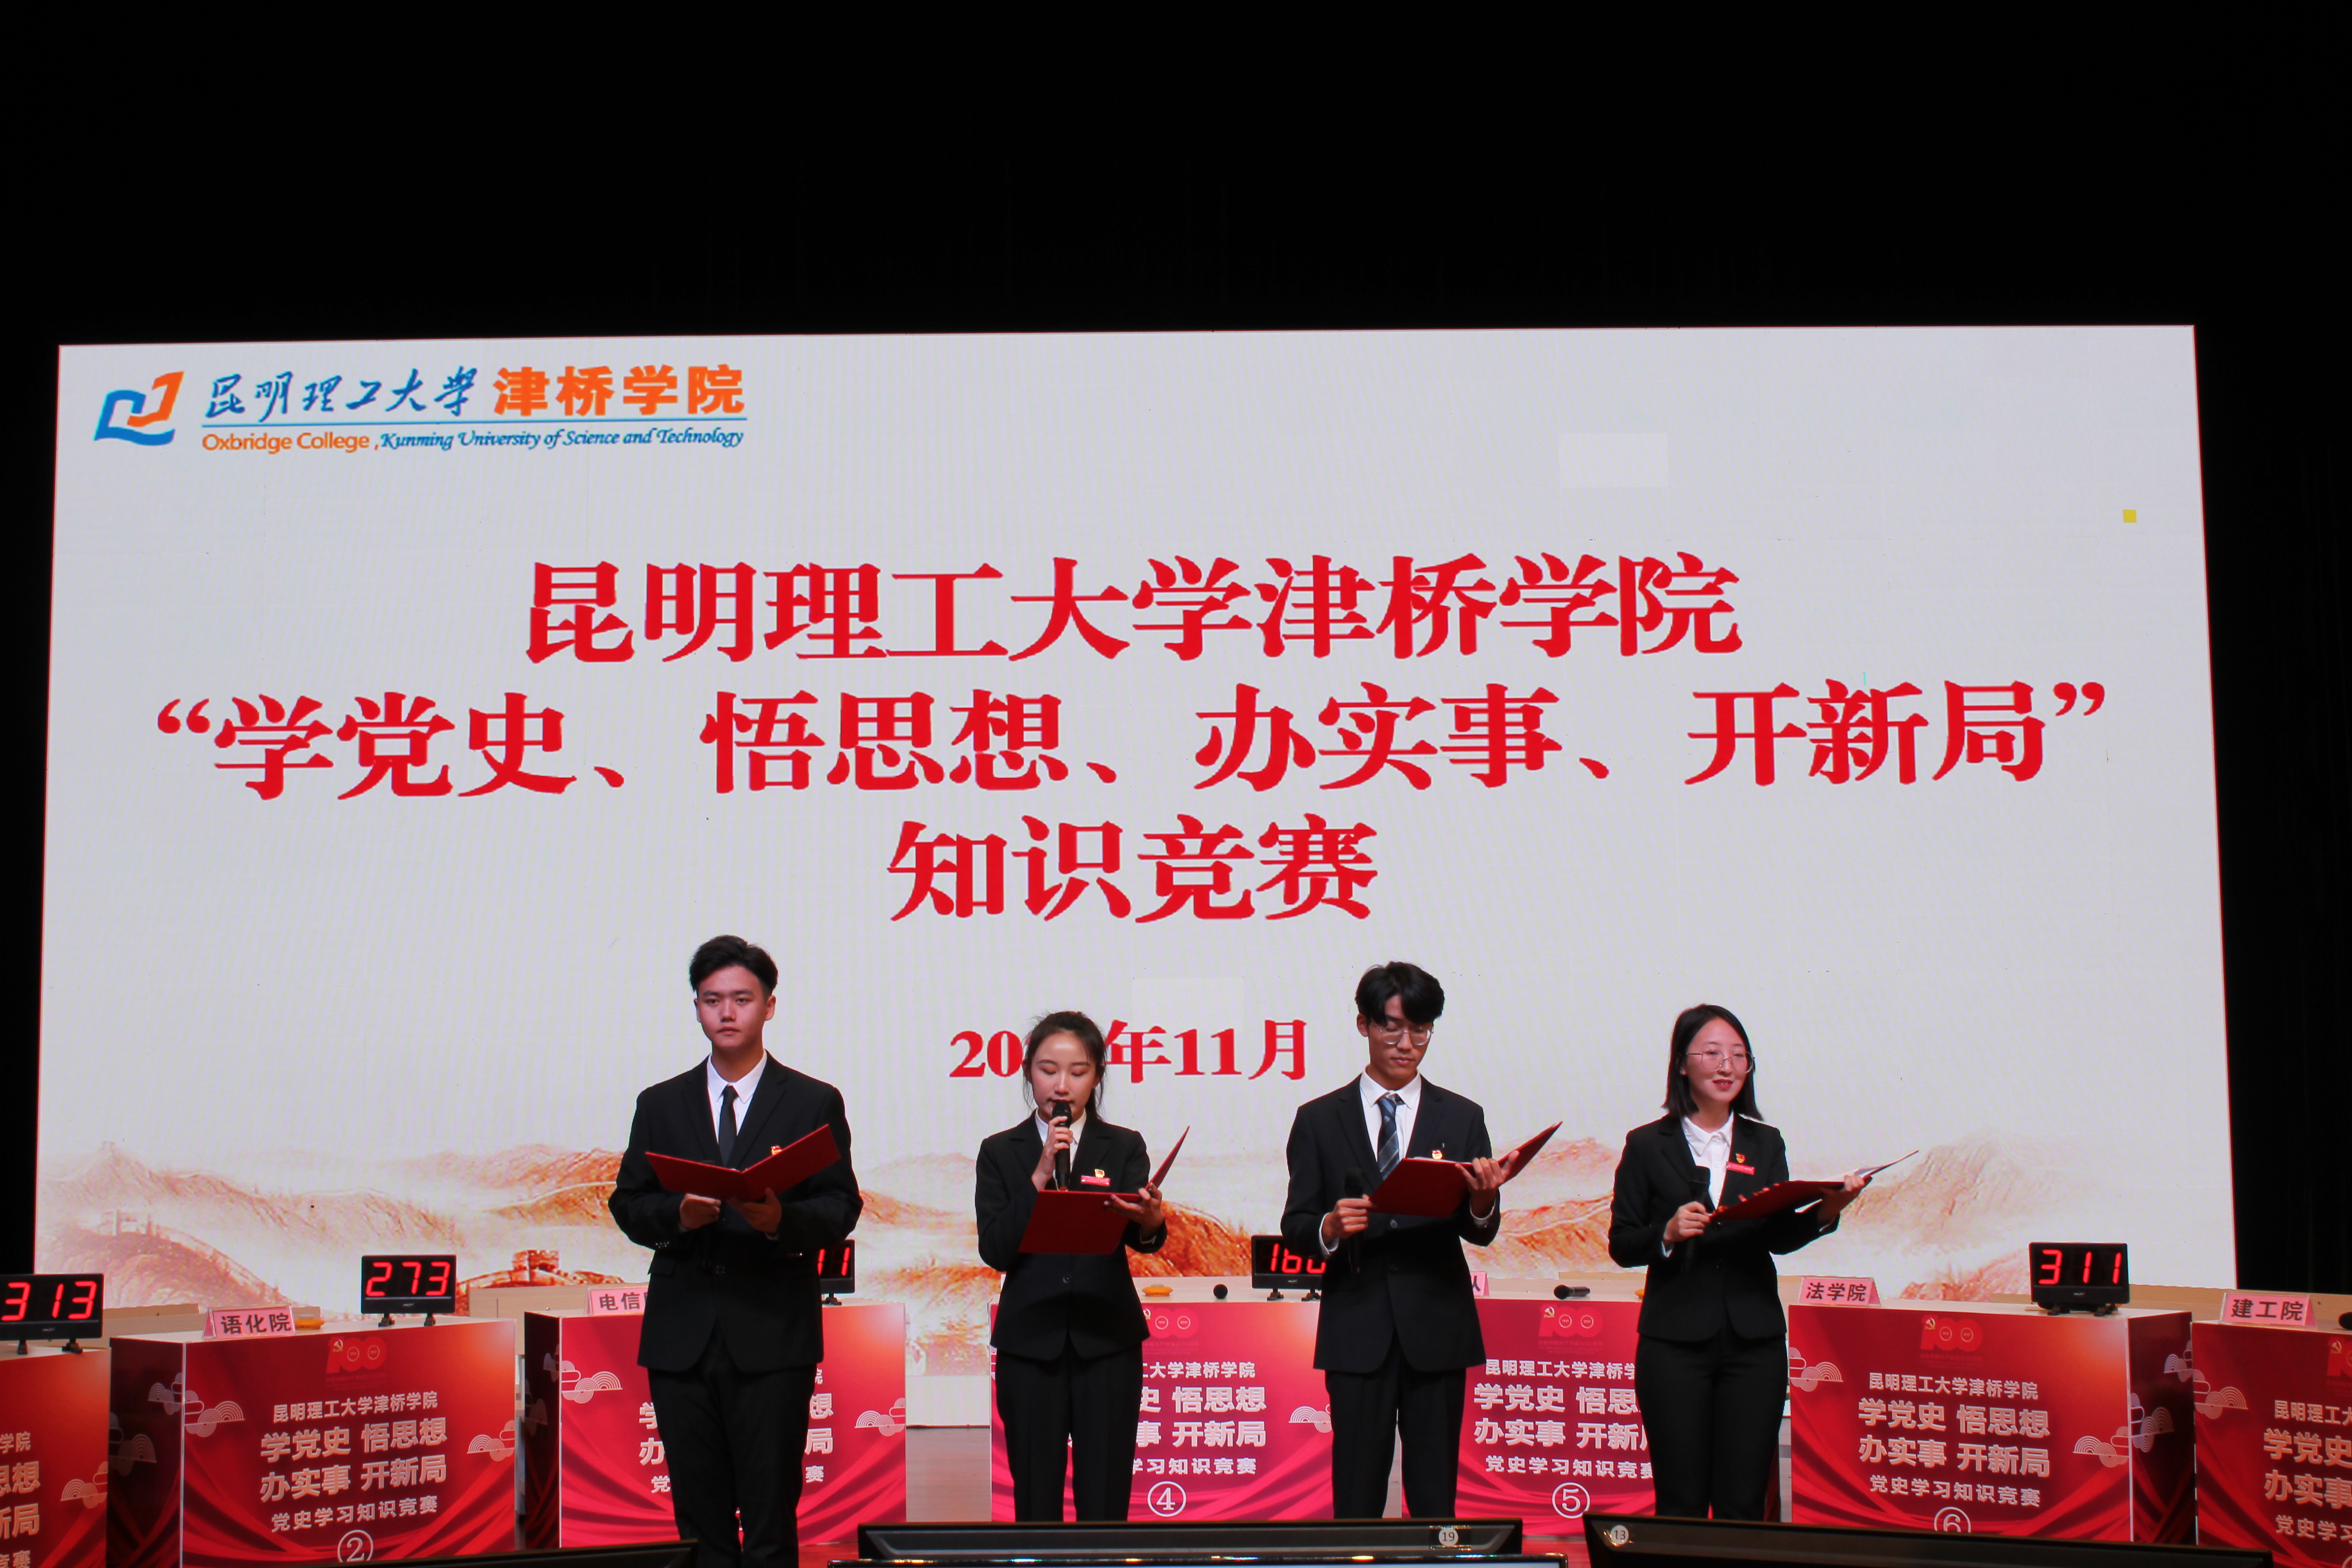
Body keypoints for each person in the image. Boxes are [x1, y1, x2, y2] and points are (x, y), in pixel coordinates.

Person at [608, 935, 862, 1568]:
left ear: (769, 1007)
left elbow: (840, 1206)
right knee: (699, 1519)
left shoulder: (812, 1101)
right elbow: (629, 1202)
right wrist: (677, 1215)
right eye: (712, 999)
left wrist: (780, 1221)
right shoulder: (660, 1103)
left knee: (771, 1512)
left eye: (742, 999)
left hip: (772, 1332)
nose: (726, 1013)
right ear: (696, 1006)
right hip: (682, 1333)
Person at [1607, 1003, 1867, 1521]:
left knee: (1743, 1503)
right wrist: (1667, 1234)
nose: (1727, 1066)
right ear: (1682, 1065)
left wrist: (1829, 1209)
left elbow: (1778, 1236)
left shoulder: (1764, 1142)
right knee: (1680, 1503)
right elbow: (1622, 1243)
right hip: (1674, 1344)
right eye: (1712, 1053)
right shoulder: (1647, 1145)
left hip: (1754, 1345)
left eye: (1739, 1056)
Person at [1280, 961, 1518, 1519]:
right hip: (1356, 1325)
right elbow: (1297, 1224)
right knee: (1356, 1493)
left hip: (1437, 1326)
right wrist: (1329, 1228)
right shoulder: (1319, 1119)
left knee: (1435, 1497)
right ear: (1364, 1025)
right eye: (1392, 1028)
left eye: (1421, 1030)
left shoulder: (1462, 1117)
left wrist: (1483, 1200)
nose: (1407, 1044)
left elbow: (1481, 1229)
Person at [976, 1011, 1168, 1520]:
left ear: (1098, 1075)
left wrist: (1151, 1221)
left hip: (1106, 1340)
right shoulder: (1000, 1152)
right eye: (1048, 1070)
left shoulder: (1123, 1145)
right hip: (1029, 1344)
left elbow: (1143, 1239)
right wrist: (1040, 1174)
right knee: (1036, 1496)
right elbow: (996, 1249)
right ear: (1028, 1073)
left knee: (1105, 1495)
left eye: (1078, 1072)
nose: (1062, 1085)